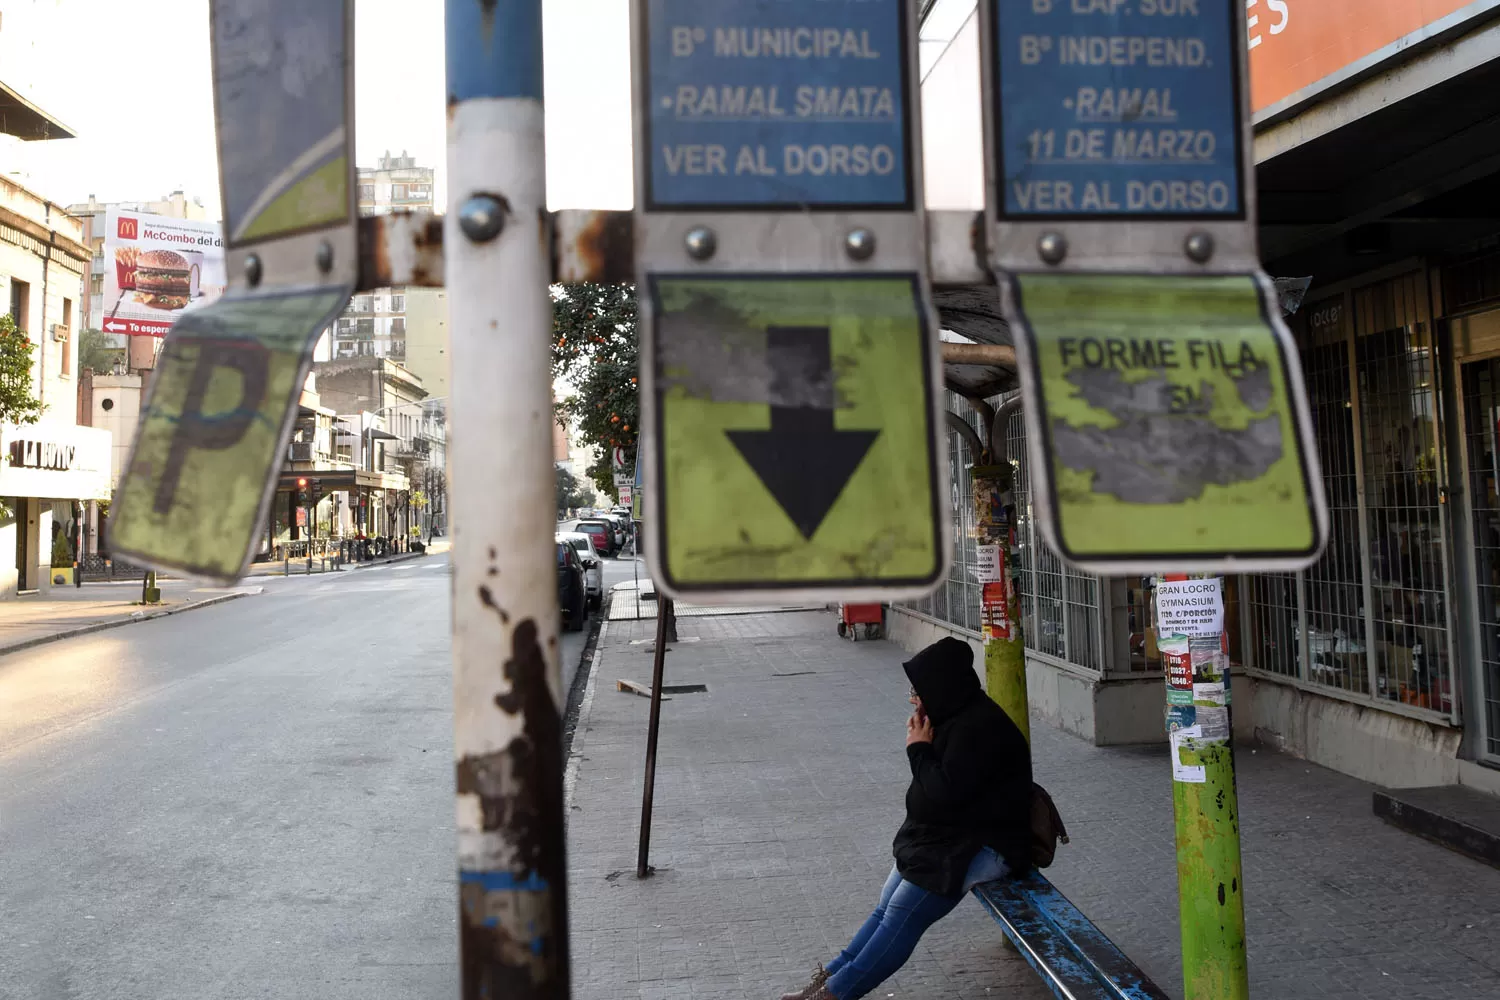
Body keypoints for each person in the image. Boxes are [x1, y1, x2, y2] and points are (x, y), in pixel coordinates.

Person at [779, 637, 1033, 1000]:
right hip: (946, 838)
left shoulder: (979, 728)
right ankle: (829, 979)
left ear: (941, 687)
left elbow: (942, 794)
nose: (913, 698)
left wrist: (917, 750)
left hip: (986, 845)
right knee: (887, 903)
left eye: (918, 690)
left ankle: (834, 995)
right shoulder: (952, 717)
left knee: (901, 915)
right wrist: (923, 748)